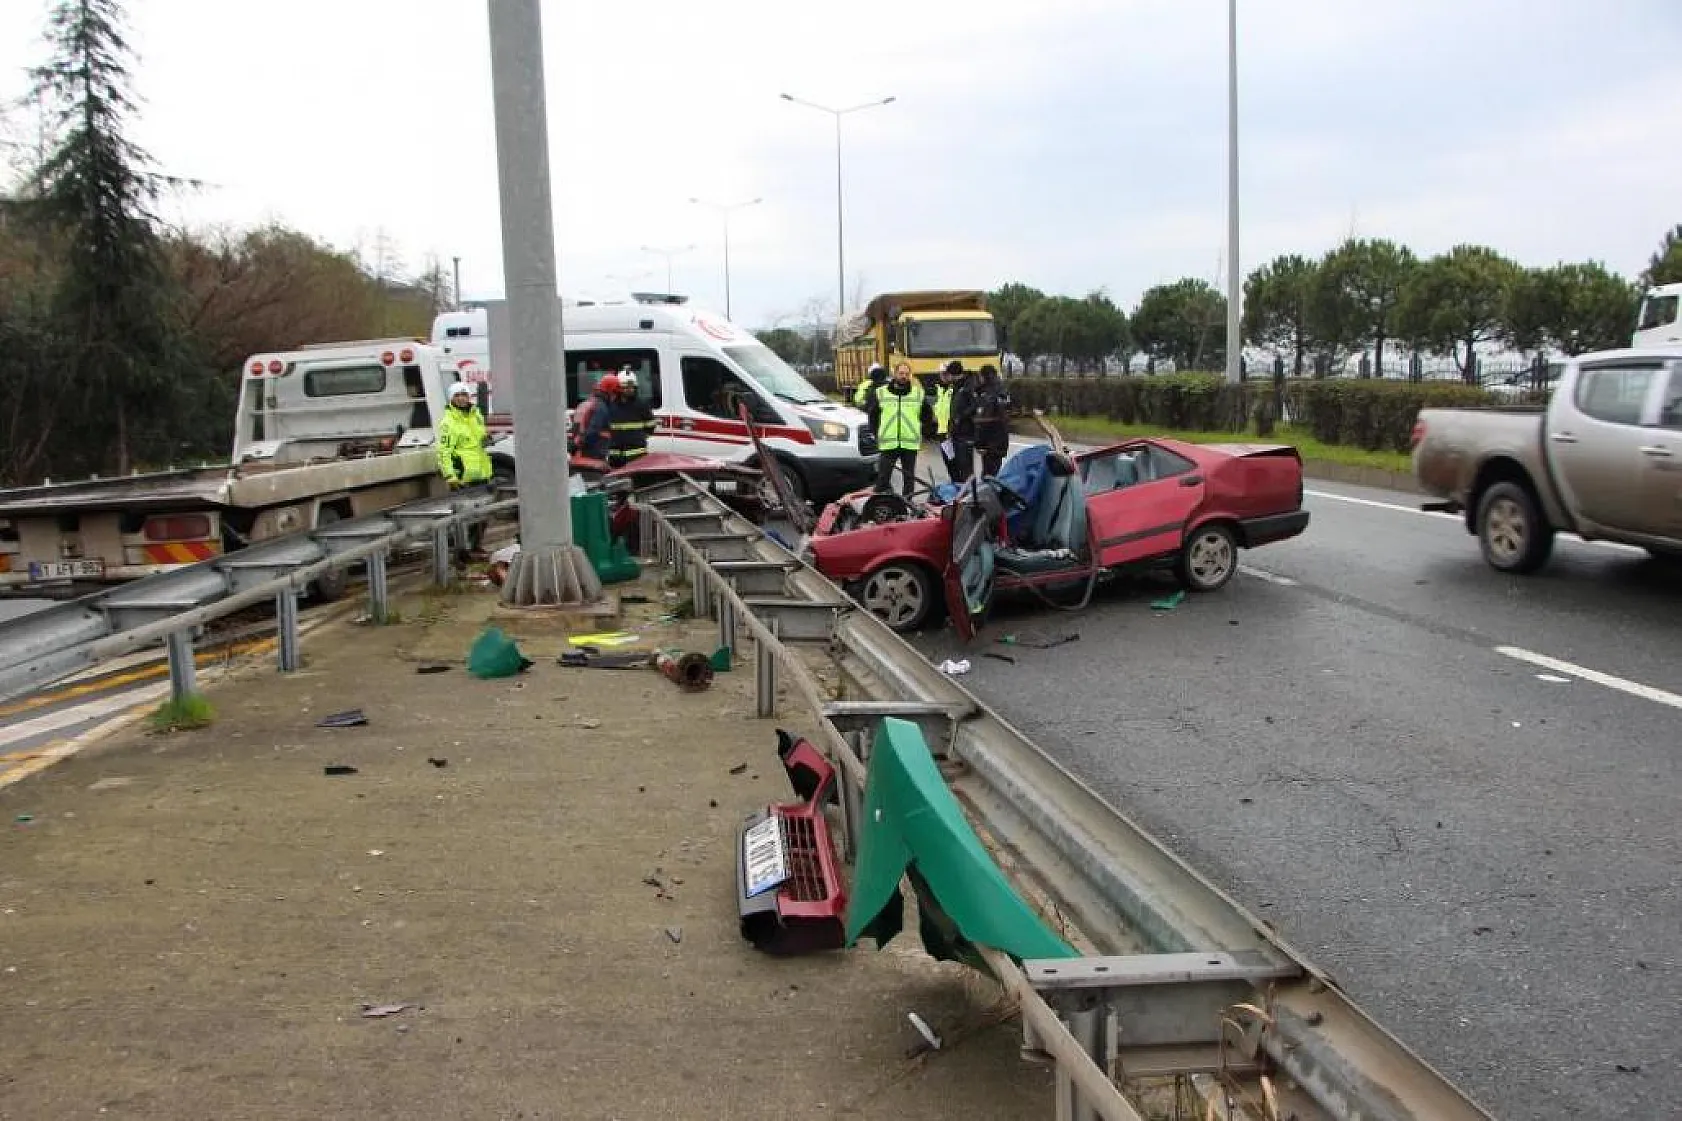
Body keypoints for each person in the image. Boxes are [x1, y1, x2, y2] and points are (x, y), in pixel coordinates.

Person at [436, 380, 493, 558]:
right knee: (466, 518)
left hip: (481, 473)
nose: (461, 399)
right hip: (463, 477)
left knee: (483, 515)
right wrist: (450, 476)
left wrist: (487, 437)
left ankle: (476, 546)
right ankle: (463, 552)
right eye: (457, 395)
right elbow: (443, 452)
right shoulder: (448, 422)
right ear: (451, 399)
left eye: (464, 395)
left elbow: (479, 439)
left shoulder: (476, 416)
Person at [866, 361, 932, 498]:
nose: (904, 376)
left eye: (907, 374)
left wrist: (924, 432)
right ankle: (882, 506)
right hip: (888, 443)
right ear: (894, 374)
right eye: (901, 373)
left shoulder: (917, 394)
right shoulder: (881, 393)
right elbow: (873, 416)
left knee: (909, 480)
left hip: (910, 444)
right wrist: (875, 434)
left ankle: (908, 507)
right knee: (883, 479)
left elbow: (927, 416)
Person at [606, 368, 656, 468]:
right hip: (616, 456)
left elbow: (650, 427)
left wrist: (636, 438)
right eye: (625, 387)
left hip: (637, 455)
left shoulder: (641, 405)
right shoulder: (611, 405)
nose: (629, 389)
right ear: (618, 388)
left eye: (632, 387)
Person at [971, 364, 1012, 479]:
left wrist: (979, 443)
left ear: (985, 376)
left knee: (988, 475)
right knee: (994, 471)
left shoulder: (988, 395)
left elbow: (984, 421)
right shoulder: (1003, 391)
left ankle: (989, 496)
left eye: (980, 376)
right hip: (1001, 440)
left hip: (990, 442)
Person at [569, 372, 618, 461]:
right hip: (593, 455)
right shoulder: (601, 408)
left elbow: (576, 429)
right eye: (615, 392)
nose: (615, 397)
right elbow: (592, 431)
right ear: (610, 391)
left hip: (580, 454)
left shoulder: (587, 403)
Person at [932, 360, 963, 482]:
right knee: (949, 464)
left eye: (946, 374)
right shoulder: (939, 389)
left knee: (957, 464)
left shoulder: (954, 389)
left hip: (952, 432)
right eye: (942, 374)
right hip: (942, 433)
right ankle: (955, 485)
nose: (944, 376)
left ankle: (960, 488)